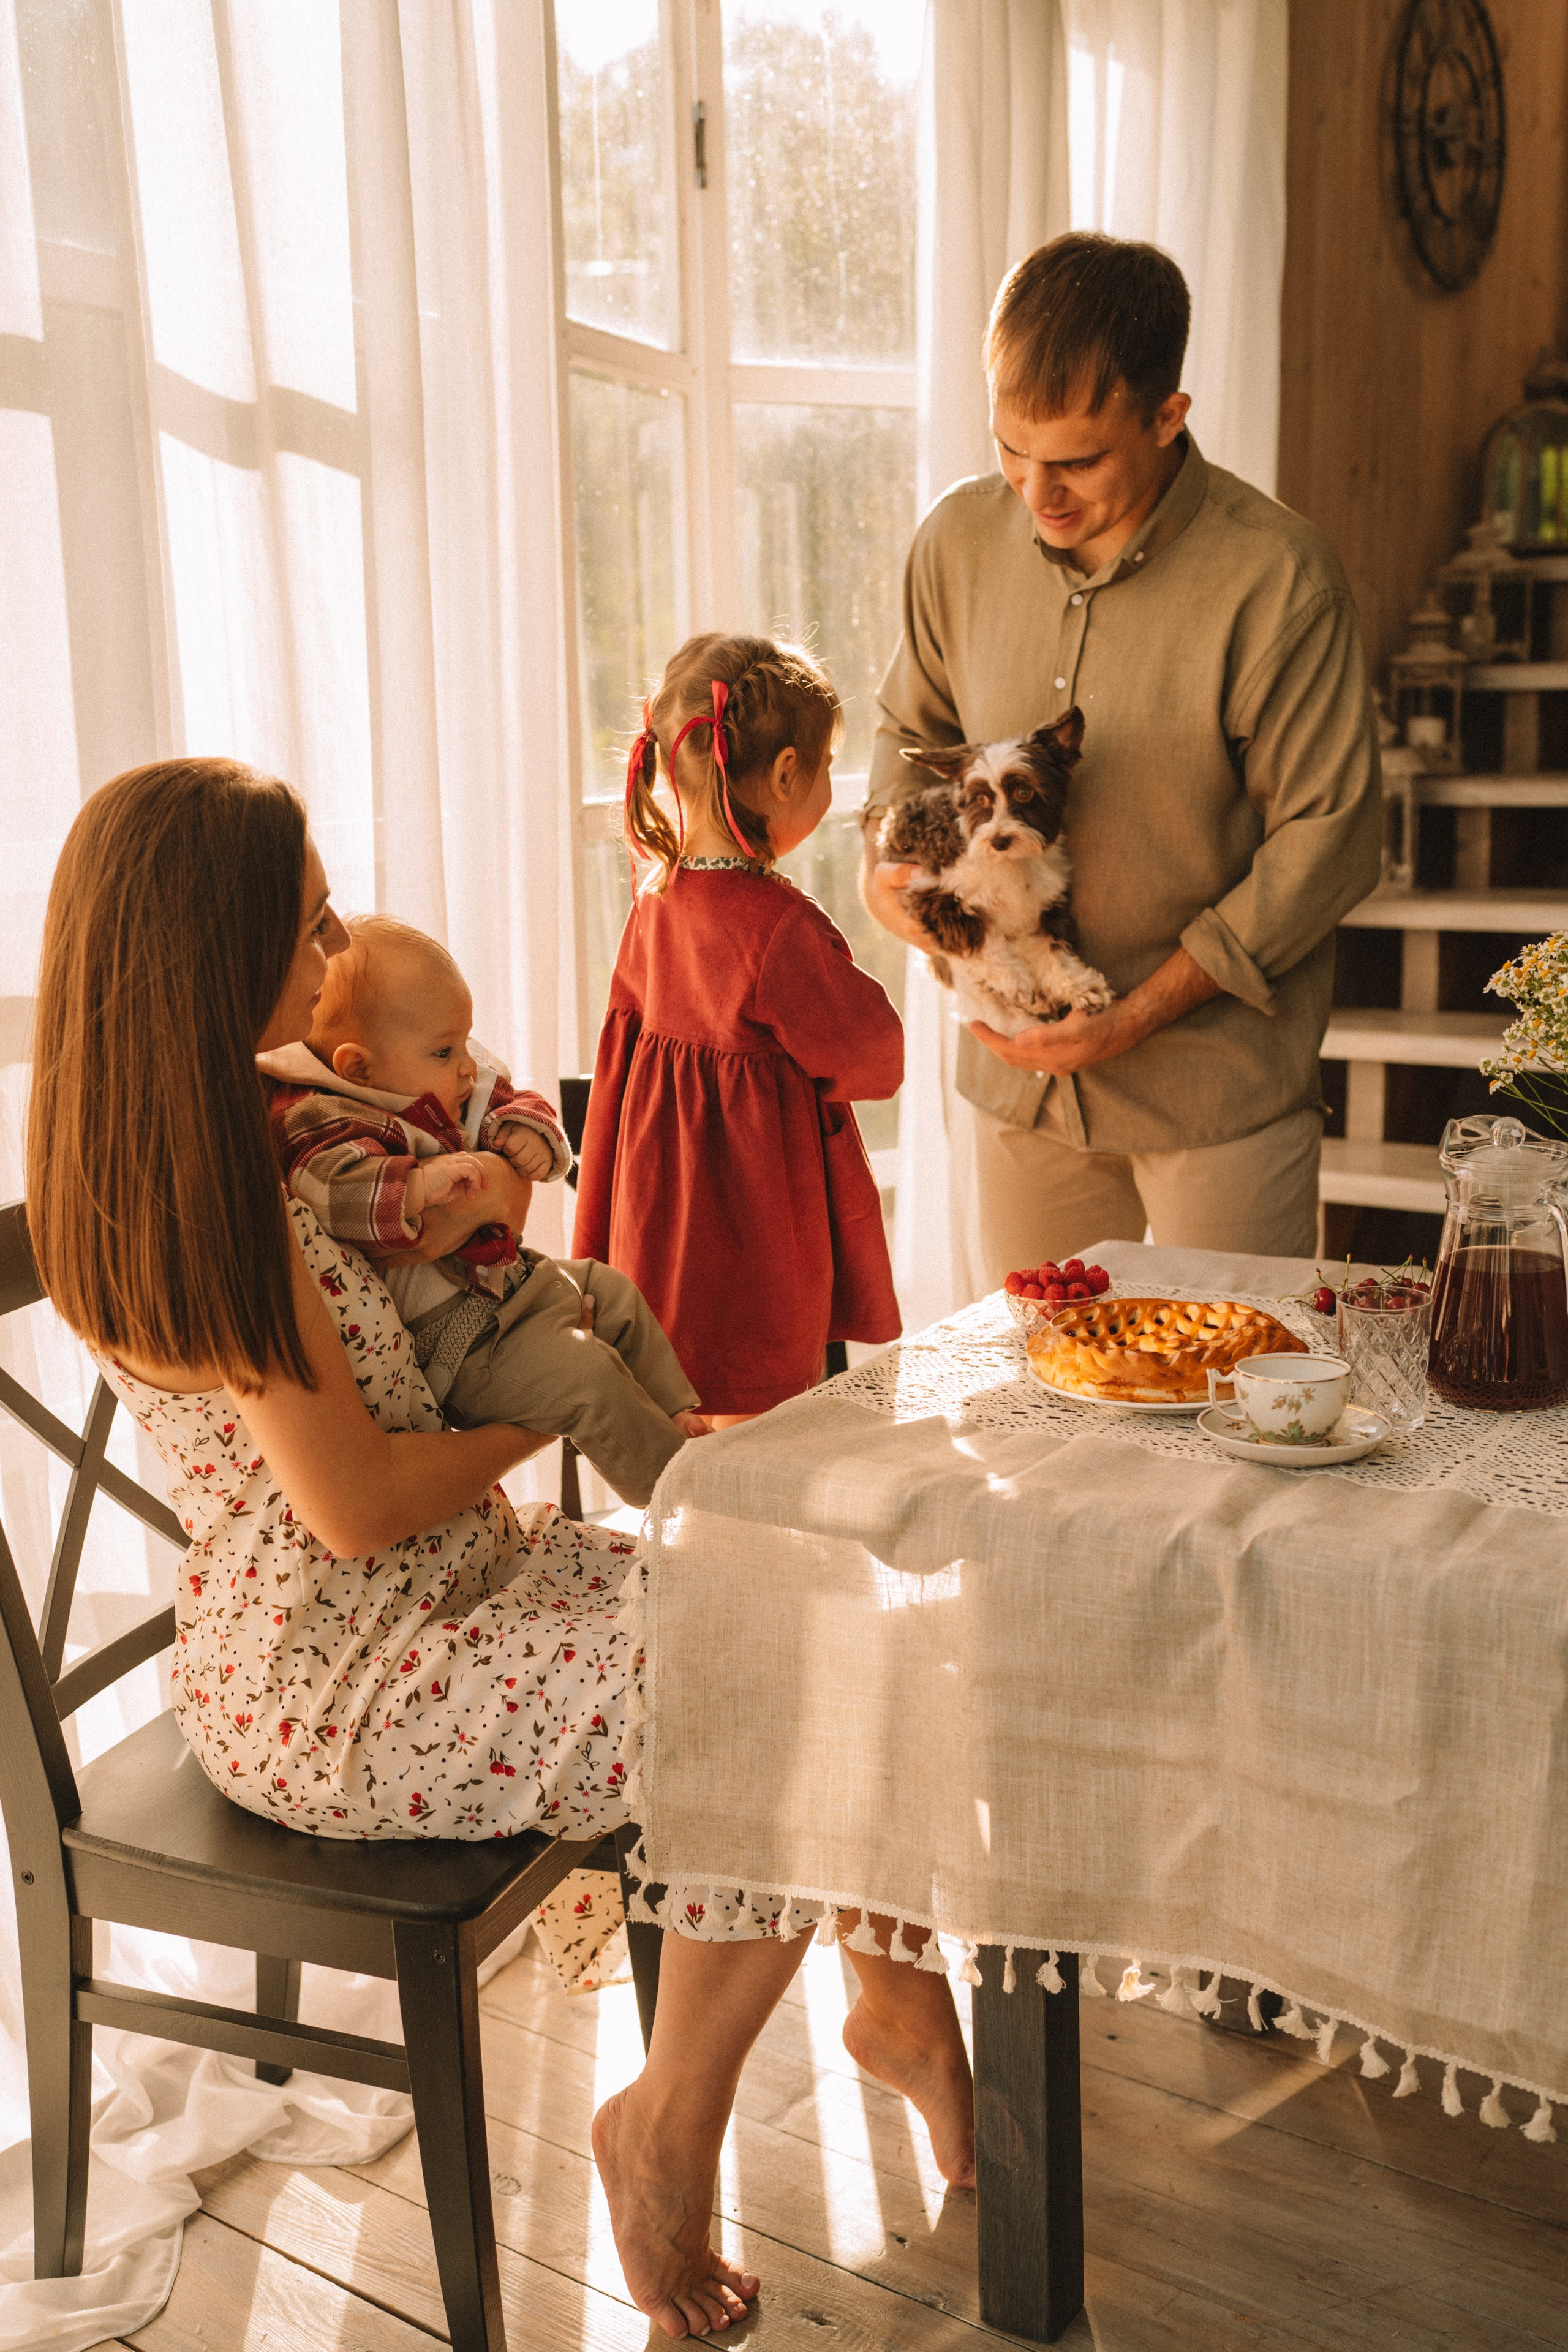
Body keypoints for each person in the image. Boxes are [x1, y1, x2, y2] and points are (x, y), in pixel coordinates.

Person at [26, 758, 971, 2339]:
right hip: (337, 1677)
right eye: (310, 921)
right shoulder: (218, 1202)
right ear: (215, 947)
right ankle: (666, 2127)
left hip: (456, 1585)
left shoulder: (263, 1129)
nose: (336, 949)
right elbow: (356, 1509)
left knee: (830, 1608)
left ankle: (894, 2012)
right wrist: (565, 1399)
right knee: (771, 1685)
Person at [861, 232, 1382, 1280]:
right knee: (1029, 1380)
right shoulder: (954, 541)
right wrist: (893, 880)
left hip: (1217, 1090)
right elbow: (907, 741)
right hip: (1014, 1089)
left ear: (1167, 416)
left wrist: (1133, 1015)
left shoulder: (1280, 578)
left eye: (1078, 461)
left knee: (1239, 1384)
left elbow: (1327, 841)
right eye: (1012, 450)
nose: (1036, 491)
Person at [260, 912, 707, 1507]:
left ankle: (678, 1418)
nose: (466, 1065)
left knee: (612, 1290)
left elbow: (514, 1102)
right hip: (462, 1345)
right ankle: (681, 1498)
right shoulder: (320, 1116)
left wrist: (528, 1132)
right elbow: (331, 1190)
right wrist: (417, 1186)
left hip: (516, 1285)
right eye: (445, 1051)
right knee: (590, 1379)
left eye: (465, 1041)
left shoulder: (442, 1077)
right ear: (357, 1067)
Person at [575, 633, 903, 1422]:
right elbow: (876, 1059)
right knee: (759, 1423)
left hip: (659, 1223)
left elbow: (622, 1066)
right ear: (787, 773)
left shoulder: (655, 901)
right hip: (752, 1235)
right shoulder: (779, 928)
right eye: (825, 766)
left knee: (689, 1415)